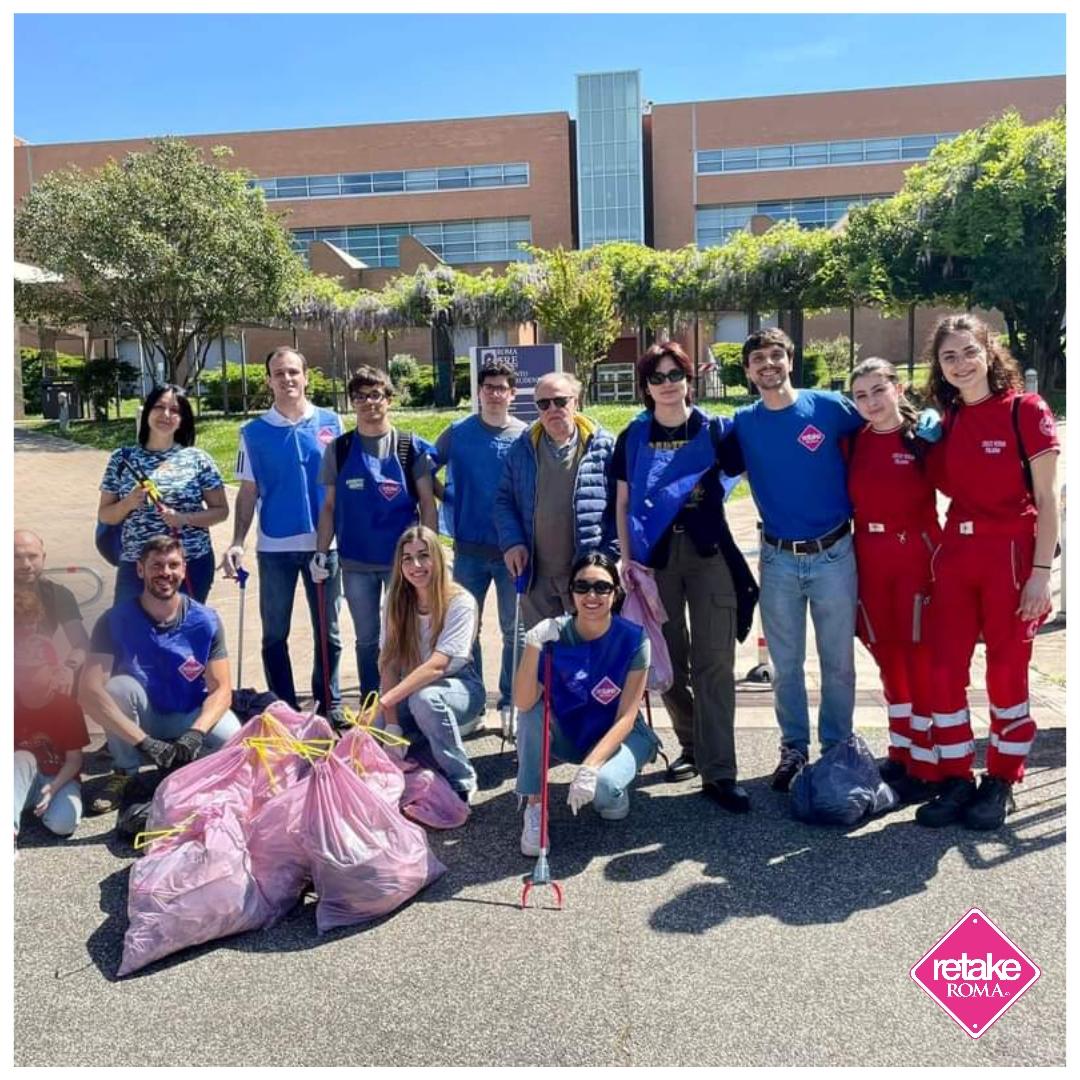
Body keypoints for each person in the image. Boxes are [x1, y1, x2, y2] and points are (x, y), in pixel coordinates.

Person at [915, 314, 1060, 830]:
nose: (960, 364)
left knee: (1006, 672)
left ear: (989, 352)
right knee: (943, 669)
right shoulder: (947, 419)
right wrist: (924, 442)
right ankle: (956, 776)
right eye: (948, 357)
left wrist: (1040, 573)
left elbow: (1048, 501)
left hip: (1013, 556)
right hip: (957, 554)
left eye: (968, 352)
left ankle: (1001, 777)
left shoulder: (1025, 410)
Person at [612, 343, 758, 812]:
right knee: (666, 663)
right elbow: (621, 504)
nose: (668, 382)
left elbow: (758, 466)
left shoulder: (716, 430)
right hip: (655, 561)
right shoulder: (633, 437)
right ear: (646, 387)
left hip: (708, 554)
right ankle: (693, 744)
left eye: (676, 373)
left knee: (714, 663)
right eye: (657, 377)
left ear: (689, 378)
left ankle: (721, 771)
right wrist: (628, 562)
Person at [730, 327, 864, 791]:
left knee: (838, 662)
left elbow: (883, 422)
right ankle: (794, 747)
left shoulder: (828, 407)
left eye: (775, 356)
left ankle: (838, 747)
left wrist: (923, 418)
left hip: (834, 552)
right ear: (747, 372)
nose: (768, 365)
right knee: (786, 665)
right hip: (779, 559)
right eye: (758, 360)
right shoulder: (744, 422)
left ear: (790, 361)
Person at [221, 347, 343, 722]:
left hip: (326, 546)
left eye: (293, 371)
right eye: (279, 374)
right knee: (275, 634)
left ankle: (330, 702)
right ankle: (284, 706)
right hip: (276, 548)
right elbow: (247, 492)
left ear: (306, 376)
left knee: (330, 633)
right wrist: (238, 541)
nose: (287, 379)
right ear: (269, 381)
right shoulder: (254, 433)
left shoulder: (332, 423)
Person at [80, 536, 242, 814]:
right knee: (117, 688)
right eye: (156, 565)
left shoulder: (206, 620)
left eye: (173, 565)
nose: (165, 572)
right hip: (145, 717)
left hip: (190, 713)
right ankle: (125, 772)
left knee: (237, 747)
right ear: (140, 569)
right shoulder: (114, 620)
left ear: (184, 569)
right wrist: (145, 742)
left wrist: (196, 733)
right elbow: (89, 691)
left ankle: (185, 762)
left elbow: (222, 689)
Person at [513, 553, 660, 855]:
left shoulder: (635, 639)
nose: (591, 595)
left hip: (622, 735)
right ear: (571, 593)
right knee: (530, 715)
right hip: (573, 731)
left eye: (602, 587)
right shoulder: (553, 635)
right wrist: (532, 646)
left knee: (605, 791)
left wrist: (591, 768)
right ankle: (535, 807)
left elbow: (627, 717)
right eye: (582, 587)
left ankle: (613, 788)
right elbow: (524, 701)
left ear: (616, 593)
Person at [846, 358, 942, 803]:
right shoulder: (853, 442)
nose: (871, 402)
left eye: (878, 390)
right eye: (861, 395)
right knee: (887, 660)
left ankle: (927, 761)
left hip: (915, 557)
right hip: (869, 557)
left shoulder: (923, 436)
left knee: (920, 658)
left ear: (898, 388)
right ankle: (901, 751)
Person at [314, 366, 437, 703]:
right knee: (368, 638)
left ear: (389, 399)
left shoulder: (409, 446)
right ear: (352, 402)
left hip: (405, 564)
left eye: (375, 395)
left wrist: (430, 551)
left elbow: (428, 502)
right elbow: (328, 507)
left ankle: (413, 702)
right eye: (360, 397)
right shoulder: (338, 450)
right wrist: (321, 552)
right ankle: (373, 705)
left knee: (409, 632)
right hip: (356, 562)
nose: (368, 402)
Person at [433, 359, 527, 730]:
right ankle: (472, 705)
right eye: (488, 387)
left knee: (514, 630)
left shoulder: (525, 435)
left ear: (512, 393)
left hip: (512, 553)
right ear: (479, 392)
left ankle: (510, 703)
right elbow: (425, 469)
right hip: (468, 550)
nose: (494, 393)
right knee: (464, 630)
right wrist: (447, 498)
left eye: (502, 387)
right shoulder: (457, 432)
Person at [494, 371, 617, 630]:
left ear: (576, 401)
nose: (552, 409)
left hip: (586, 575)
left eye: (560, 401)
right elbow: (504, 501)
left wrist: (606, 558)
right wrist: (512, 542)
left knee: (588, 653)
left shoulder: (604, 447)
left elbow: (622, 507)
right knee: (543, 657)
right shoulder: (522, 448)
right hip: (536, 578)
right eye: (543, 404)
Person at [376, 526, 486, 803]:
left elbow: (439, 664)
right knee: (372, 728)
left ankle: (462, 778)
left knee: (423, 700)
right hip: (409, 687)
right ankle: (421, 748)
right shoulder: (394, 599)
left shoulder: (461, 601)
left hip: (460, 685)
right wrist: (390, 726)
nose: (416, 565)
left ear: (437, 558)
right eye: (407, 559)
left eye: (424, 556)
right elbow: (388, 660)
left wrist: (387, 701)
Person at [98, 384, 228, 605]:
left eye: (175, 410)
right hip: (137, 566)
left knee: (182, 634)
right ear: (147, 411)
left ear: (183, 419)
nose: (166, 415)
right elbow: (105, 515)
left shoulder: (197, 459)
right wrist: (128, 503)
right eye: (159, 407)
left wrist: (184, 519)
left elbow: (221, 511)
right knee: (129, 631)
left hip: (189, 564)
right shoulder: (122, 459)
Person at [14, 589, 89, 843]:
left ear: (51, 670)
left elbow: (74, 759)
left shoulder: (64, 705)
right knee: (21, 758)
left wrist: (53, 788)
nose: (29, 676)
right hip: (21, 769)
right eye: (22, 671)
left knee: (63, 825)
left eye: (36, 670)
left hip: (57, 774)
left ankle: (27, 802)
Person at [14, 528, 90, 694]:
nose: (25, 564)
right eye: (16, 557)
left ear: (43, 558)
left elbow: (82, 643)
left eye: (32, 556)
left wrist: (68, 668)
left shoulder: (57, 594)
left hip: (40, 667)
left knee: (82, 678)